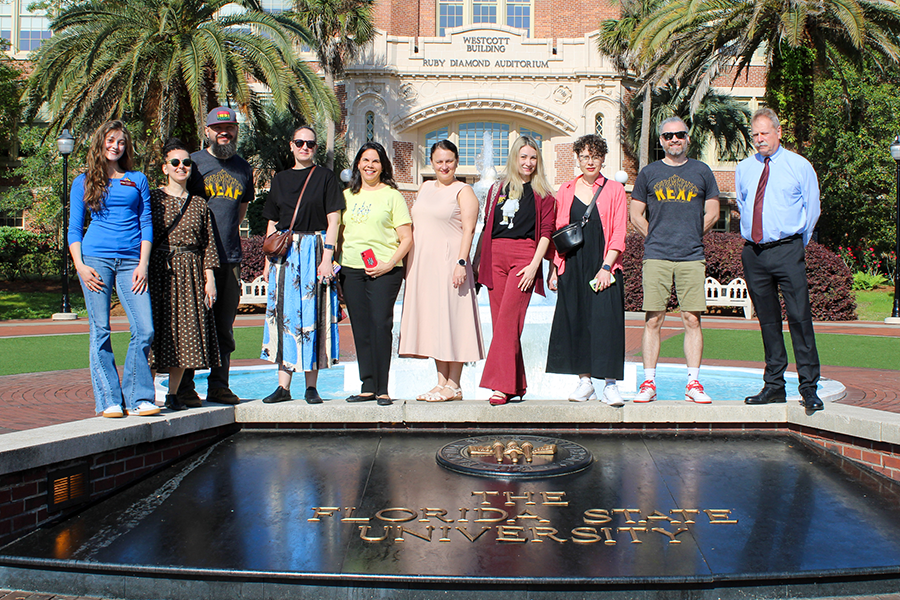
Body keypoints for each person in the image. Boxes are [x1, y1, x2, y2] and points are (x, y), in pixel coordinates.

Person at [68, 120, 159, 418]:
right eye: (110, 140)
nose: (115, 146)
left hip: (132, 262)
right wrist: (80, 266)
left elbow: (146, 224)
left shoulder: (137, 179)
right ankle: (109, 399)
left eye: (120, 142)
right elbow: (74, 231)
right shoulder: (83, 181)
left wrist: (143, 264)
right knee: (101, 330)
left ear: (126, 147)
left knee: (144, 329)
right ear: (100, 143)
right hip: (95, 260)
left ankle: (138, 397)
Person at [736, 108, 823, 411]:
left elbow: (812, 210)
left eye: (765, 133)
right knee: (768, 322)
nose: (759, 139)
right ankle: (774, 386)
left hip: (788, 249)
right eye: (755, 134)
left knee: (800, 319)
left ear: (778, 132)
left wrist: (797, 243)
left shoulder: (799, 166)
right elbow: (744, 203)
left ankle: (809, 387)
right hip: (754, 252)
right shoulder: (744, 168)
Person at [630, 116, 720, 404]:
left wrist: (692, 235)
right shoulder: (648, 173)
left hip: (691, 256)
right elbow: (635, 214)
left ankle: (693, 383)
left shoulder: (702, 171)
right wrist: (654, 236)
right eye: (668, 136)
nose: (674, 140)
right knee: (653, 319)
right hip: (656, 256)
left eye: (679, 134)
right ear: (661, 141)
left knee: (691, 318)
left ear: (688, 137)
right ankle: (649, 383)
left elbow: (714, 213)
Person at [259, 126, 343, 404]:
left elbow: (334, 221)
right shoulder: (280, 179)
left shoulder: (325, 177)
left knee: (313, 315)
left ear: (315, 147)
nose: (304, 147)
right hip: (284, 254)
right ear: (291, 146)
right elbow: (272, 220)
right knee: (284, 315)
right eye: (299, 142)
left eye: (310, 143)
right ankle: (283, 387)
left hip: (315, 250)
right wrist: (268, 260)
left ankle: (311, 386)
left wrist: (327, 257)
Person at [177, 106, 255, 407]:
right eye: (218, 128)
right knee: (194, 321)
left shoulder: (243, 168)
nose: (225, 133)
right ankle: (184, 386)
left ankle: (219, 386)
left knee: (224, 326)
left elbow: (240, 212)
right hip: (196, 259)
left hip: (230, 258)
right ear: (207, 131)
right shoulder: (193, 164)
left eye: (230, 128)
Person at [399, 140, 485, 401]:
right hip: (424, 264)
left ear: (456, 162)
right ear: (432, 163)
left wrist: (462, 262)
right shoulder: (424, 188)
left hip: (450, 264)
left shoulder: (464, 191)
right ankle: (440, 382)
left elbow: (469, 230)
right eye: (439, 161)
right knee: (434, 322)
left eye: (449, 161)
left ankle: (455, 384)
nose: (444, 166)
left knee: (452, 320)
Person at [547, 135, 627, 406]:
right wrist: (554, 268)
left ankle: (611, 385)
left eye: (595, 155)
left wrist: (607, 267)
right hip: (573, 264)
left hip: (603, 263)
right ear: (577, 160)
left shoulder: (614, 189)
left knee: (608, 322)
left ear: (603, 158)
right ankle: (585, 382)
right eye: (584, 156)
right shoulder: (565, 189)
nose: (589, 161)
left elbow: (619, 232)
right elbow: (558, 231)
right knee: (577, 321)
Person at [476, 136, 556, 406]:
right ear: (514, 158)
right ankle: (517, 385)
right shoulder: (497, 189)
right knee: (503, 326)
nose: (528, 162)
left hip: (524, 258)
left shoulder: (543, 194)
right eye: (523, 157)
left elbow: (546, 233)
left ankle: (499, 387)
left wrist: (535, 265)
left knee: (509, 322)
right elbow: (487, 226)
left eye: (533, 158)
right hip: (494, 257)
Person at [148, 138, 220, 411]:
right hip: (159, 270)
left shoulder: (200, 204)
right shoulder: (153, 198)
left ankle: (173, 394)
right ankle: (144, 393)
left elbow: (207, 243)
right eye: (175, 162)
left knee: (186, 332)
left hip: (190, 271)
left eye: (186, 163)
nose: (181, 167)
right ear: (165, 167)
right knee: (153, 330)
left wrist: (209, 278)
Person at [339, 142, 412, 405]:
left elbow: (406, 238)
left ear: (383, 166)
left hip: (385, 271)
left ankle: (382, 388)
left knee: (381, 325)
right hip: (351, 270)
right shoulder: (346, 196)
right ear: (358, 164)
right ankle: (367, 386)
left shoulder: (392, 195)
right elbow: (337, 234)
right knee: (361, 328)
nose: (370, 165)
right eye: (365, 160)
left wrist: (389, 263)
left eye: (376, 161)